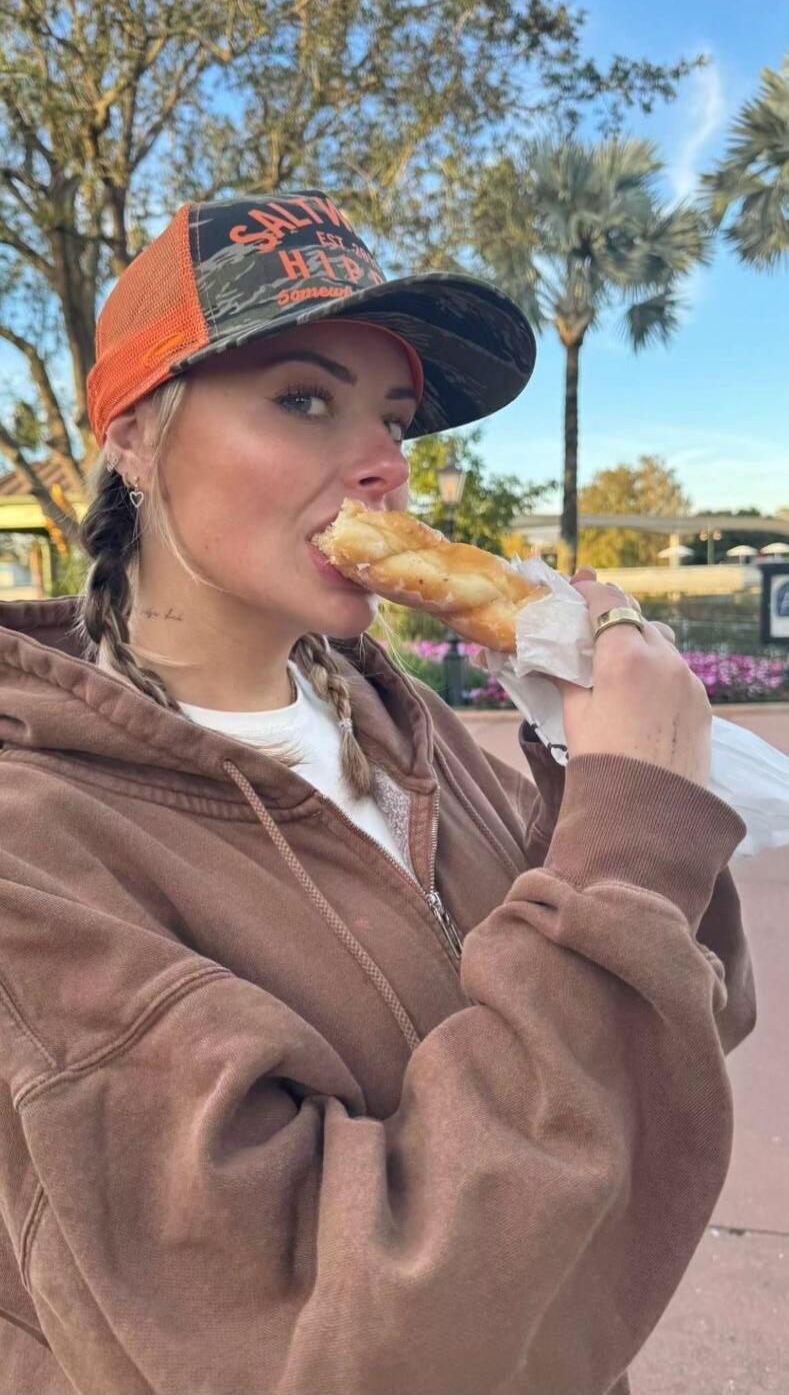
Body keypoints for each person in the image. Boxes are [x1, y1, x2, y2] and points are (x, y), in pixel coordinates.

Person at [0, 191, 756, 1395]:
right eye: (303, 401)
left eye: (395, 421)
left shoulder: (400, 717)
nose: (386, 470)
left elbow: (682, 1039)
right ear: (135, 436)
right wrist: (628, 835)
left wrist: (601, 787)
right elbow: (333, 1339)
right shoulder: (34, 841)